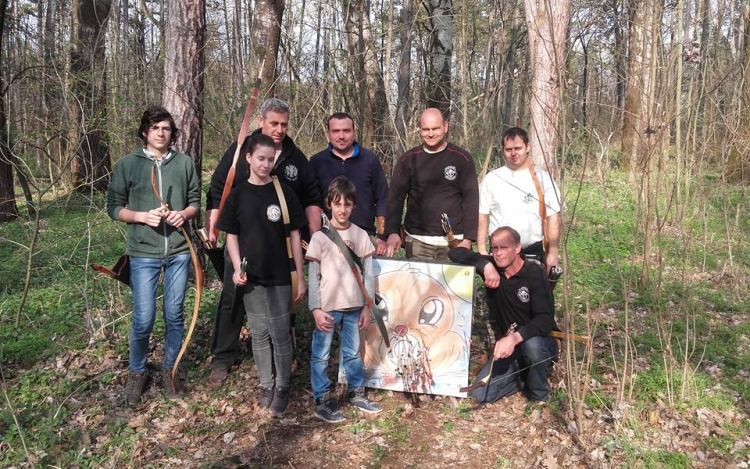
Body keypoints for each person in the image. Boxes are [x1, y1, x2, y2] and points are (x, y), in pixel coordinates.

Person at [206, 99, 323, 386]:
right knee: (233, 297)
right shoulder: (240, 151)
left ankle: (282, 355)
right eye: (274, 123)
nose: (280, 129)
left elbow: (310, 197)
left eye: (284, 124)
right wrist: (213, 227)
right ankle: (223, 355)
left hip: (280, 246)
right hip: (243, 242)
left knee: (284, 301)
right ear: (261, 121)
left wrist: (316, 236)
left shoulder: (296, 158)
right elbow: (219, 189)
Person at [106, 106, 201, 404]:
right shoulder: (127, 165)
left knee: (174, 316)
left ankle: (170, 370)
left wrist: (182, 215)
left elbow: (196, 201)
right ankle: (137, 373)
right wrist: (140, 217)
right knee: (143, 318)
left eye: (167, 128)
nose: (162, 133)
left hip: (178, 251)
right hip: (143, 253)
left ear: (173, 133)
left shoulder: (184, 163)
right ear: (145, 131)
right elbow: (113, 206)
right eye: (156, 127)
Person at [216, 133, 307, 414]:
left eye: (270, 160)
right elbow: (230, 235)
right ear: (249, 159)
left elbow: (294, 236)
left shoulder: (283, 193)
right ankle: (266, 384)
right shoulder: (238, 195)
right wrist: (235, 270)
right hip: (251, 279)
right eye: (260, 159)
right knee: (259, 333)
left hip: (280, 276)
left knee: (280, 333)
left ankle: (282, 386)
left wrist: (300, 277)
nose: (266, 164)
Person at [449, 226, 558, 404]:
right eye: (494, 248)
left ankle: (539, 396)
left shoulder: (534, 273)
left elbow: (544, 320)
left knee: (533, 348)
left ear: (517, 248)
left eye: (504, 248)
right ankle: (524, 376)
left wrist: (514, 338)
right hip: (510, 349)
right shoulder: (494, 267)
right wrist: (485, 265)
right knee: (479, 395)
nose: (498, 253)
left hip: (537, 341)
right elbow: (456, 253)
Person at [305, 176, 383, 423]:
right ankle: (322, 399)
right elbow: (313, 277)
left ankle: (356, 392)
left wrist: (366, 307)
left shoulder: (360, 235)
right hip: (327, 309)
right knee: (321, 355)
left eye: (347, 205)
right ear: (329, 204)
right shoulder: (320, 237)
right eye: (337, 204)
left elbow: (368, 274)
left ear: (354, 206)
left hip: (353, 308)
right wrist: (315, 309)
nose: (342, 210)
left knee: (352, 353)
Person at [384, 108, 478, 260]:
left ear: (445, 127)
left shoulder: (462, 159)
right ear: (419, 130)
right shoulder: (408, 160)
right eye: (426, 129)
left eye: (436, 128)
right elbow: (395, 199)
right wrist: (392, 232)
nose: (431, 133)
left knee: (452, 284)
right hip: (418, 241)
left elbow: (471, 201)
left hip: (454, 242)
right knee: (419, 284)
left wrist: (468, 239)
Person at [477, 127, 561, 272]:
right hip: (499, 253)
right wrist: (481, 250)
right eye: (509, 149)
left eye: (518, 148)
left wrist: (552, 252)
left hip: (532, 252)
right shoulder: (493, 178)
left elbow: (553, 216)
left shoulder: (543, 179)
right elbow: (482, 215)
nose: (513, 153)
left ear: (528, 147)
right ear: (503, 150)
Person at [310, 112, 389, 255]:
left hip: (365, 237)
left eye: (346, 130)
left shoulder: (370, 160)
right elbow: (312, 204)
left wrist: (382, 236)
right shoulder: (317, 162)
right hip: (329, 238)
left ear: (354, 132)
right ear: (328, 133)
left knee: (367, 277)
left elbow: (382, 199)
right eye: (335, 131)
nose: (341, 136)